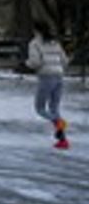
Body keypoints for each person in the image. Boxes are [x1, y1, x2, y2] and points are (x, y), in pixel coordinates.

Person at [25, 20, 69, 149]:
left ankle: (59, 123)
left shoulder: (34, 44)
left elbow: (35, 62)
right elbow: (65, 61)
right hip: (59, 76)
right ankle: (63, 140)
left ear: (36, 30)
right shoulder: (55, 43)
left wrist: (25, 65)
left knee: (40, 108)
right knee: (54, 108)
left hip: (46, 77)